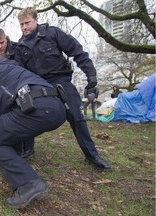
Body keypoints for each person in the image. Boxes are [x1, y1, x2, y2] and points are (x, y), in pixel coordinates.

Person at [0, 55, 67, 208]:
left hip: (37, 108)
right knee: (7, 131)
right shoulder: (15, 69)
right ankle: (17, 163)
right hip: (57, 109)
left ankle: (28, 184)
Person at [15, 7, 111, 170]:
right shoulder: (20, 47)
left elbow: (78, 52)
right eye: (21, 24)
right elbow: (19, 72)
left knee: (76, 115)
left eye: (27, 23)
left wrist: (91, 77)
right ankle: (28, 149)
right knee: (26, 112)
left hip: (61, 80)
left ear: (35, 20)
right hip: (39, 85)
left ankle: (91, 154)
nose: (24, 27)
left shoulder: (52, 33)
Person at [0, 27, 35, 159]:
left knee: (26, 116)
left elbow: (28, 69)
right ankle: (12, 146)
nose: (0, 47)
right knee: (9, 120)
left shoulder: (17, 49)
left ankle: (28, 148)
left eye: (2, 43)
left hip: (21, 87)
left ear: (6, 39)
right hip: (1, 93)